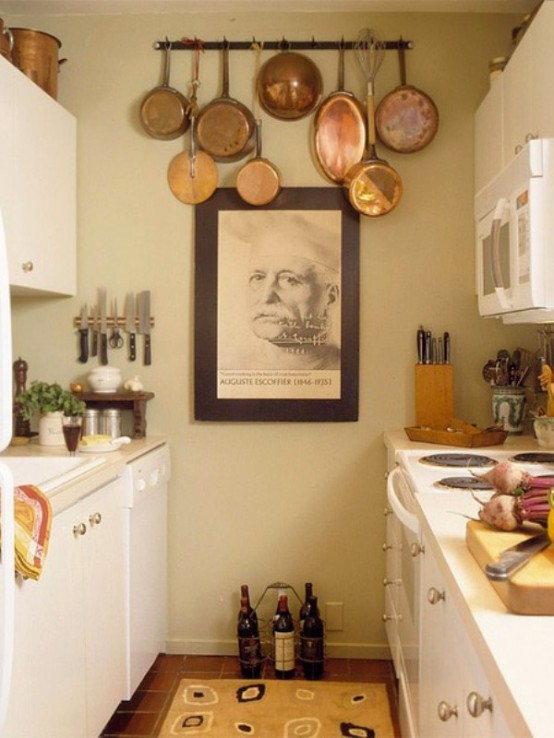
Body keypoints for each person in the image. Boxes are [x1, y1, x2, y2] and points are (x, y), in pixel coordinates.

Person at [218, 210, 341, 371]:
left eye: (289, 280)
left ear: (330, 297)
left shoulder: (346, 369)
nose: (266, 296)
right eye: (258, 277)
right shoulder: (230, 368)